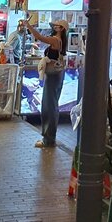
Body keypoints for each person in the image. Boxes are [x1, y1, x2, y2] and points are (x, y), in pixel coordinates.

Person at [23, 17, 69, 149]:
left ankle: (48, 139)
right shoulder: (61, 41)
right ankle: (49, 137)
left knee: (49, 106)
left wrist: (29, 26)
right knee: (51, 104)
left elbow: (39, 37)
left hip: (53, 75)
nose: (54, 27)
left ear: (62, 29)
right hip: (57, 74)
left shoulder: (55, 40)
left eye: (57, 26)